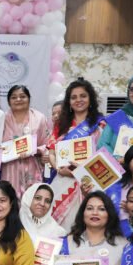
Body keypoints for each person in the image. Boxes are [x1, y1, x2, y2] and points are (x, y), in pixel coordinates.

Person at [47, 78, 105, 230]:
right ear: (69, 101)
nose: (78, 100)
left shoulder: (101, 124)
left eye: (83, 96)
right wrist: (58, 168)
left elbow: (105, 156)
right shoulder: (61, 124)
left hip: (89, 181)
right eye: (74, 97)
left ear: (90, 99)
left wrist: (81, 170)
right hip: (63, 179)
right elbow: (52, 152)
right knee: (58, 227)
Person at [1, 85, 52, 199]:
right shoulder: (2, 118)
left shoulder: (39, 118)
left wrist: (34, 150)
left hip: (32, 167)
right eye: (14, 97)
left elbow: (47, 144)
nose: (18, 99)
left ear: (29, 99)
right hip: (10, 168)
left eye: (22, 96)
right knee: (9, 199)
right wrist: (0, 150)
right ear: (9, 101)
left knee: (31, 200)